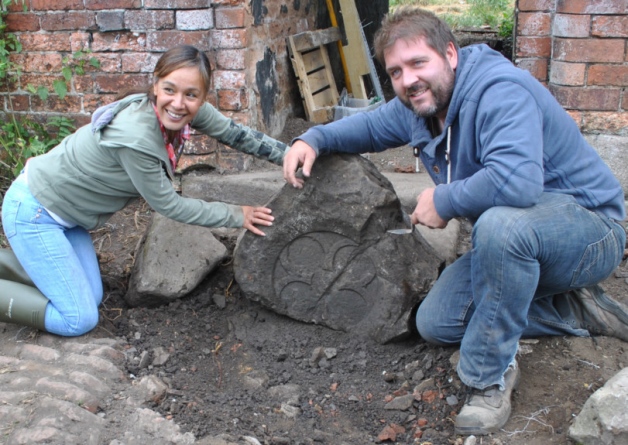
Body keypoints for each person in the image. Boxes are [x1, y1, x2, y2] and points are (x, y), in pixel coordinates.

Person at [283, 6, 628, 436]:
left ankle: (488, 378)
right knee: (436, 321)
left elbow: (518, 183)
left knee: (501, 227)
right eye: (395, 72)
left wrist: (444, 200)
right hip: (520, 241)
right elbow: (369, 128)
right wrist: (311, 139)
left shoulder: (500, 91)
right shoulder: (421, 105)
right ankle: (576, 309)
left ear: (450, 53)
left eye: (418, 63)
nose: (408, 79)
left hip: (589, 229)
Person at [1, 45, 287, 337]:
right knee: (78, 318)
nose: (178, 103)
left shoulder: (183, 111)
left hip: (68, 218)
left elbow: (235, 134)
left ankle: (20, 266)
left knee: (92, 297)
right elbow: (170, 205)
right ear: (155, 85)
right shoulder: (138, 138)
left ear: (202, 97)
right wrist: (237, 214)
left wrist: (290, 156)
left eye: (191, 94)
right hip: (35, 212)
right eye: (169, 90)